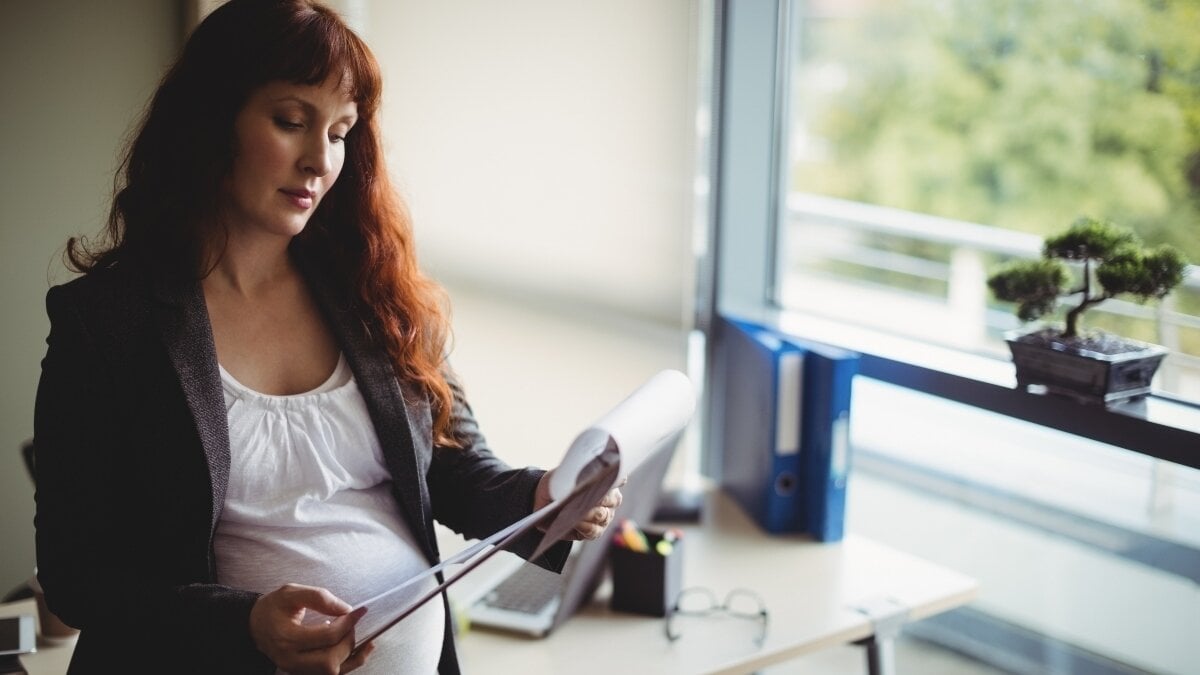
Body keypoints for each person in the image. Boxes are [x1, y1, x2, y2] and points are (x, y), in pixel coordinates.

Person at [31, 1, 621, 673]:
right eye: (291, 121)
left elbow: (453, 467)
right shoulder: (108, 321)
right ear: (211, 121)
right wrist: (245, 622)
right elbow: (77, 576)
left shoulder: (373, 288)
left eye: (340, 132)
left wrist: (543, 498)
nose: (319, 159)